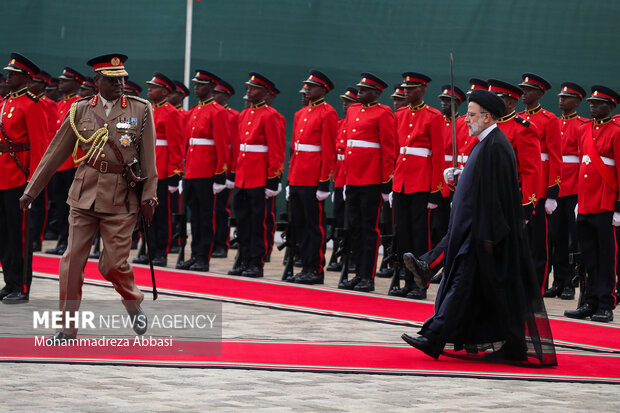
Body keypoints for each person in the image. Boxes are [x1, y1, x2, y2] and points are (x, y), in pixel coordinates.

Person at [401, 90, 557, 366]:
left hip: (482, 232)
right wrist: (460, 175)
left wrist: (489, 235)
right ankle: (512, 345)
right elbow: (483, 183)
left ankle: (434, 336)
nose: (467, 119)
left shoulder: (495, 145)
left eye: (472, 114)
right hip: (474, 229)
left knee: (462, 284)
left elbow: (497, 195)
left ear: (486, 117)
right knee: (490, 293)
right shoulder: (487, 142)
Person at [19, 53, 158, 340]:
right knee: (71, 263)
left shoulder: (140, 109)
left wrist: (149, 197)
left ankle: (133, 303)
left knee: (112, 265)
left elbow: (148, 160)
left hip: (122, 198)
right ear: (96, 81)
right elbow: (54, 154)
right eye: (111, 79)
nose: (119, 83)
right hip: (83, 195)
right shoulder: (79, 110)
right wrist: (32, 190)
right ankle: (67, 327)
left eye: (121, 78)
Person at [564, 86, 620, 323]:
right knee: (587, 257)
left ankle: (606, 304)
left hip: (606, 202)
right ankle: (589, 301)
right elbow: (582, 166)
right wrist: (579, 199)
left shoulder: (617, 131)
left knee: (606, 257)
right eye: (591, 103)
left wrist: (618, 205)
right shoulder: (585, 129)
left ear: (611, 106)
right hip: (586, 202)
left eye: (598, 104)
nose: (593, 107)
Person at [389, 72, 444, 299]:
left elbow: (438, 155)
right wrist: (392, 182)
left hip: (422, 182)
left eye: (411, 89)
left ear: (422, 90)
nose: (406, 92)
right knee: (402, 233)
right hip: (401, 181)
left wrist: (436, 191)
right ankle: (406, 281)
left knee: (420, 235)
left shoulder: (433, 116)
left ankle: (420, 285)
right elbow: (394, 150)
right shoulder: (399, 114)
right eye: (405, 88)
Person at [338, 73, 395, 292]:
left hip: (371, 180)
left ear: (377, 93)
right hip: (352, 179)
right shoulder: (352, 110)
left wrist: (385, 182)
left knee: (368, 229)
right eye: (359, 89)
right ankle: (356, 274)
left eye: (365, 89)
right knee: (354, 228)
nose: (359, 92)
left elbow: (388, 150)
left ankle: (366, 277)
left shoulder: (383, 113)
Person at [0, 53, 48, 303]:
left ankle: (23, 287)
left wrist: (34, 182)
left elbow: (40, 146)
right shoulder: (6, 102)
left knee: (19, 235)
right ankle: (10, 282)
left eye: (13, 73)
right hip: (2, 176)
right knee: (4, 234)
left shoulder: (32, 105)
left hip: (19, 178)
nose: (8, 76)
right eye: (8, 73)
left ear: (27, 78)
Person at [228, 72, 284, 277]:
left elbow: (276, 150)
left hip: (259, 178)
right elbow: (239, 148)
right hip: (243, 178)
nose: (249, 91)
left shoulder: (270, 116)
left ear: (265, 92)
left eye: (254, 88)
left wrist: (273, 179)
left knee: (257, 223)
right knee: (242, 222)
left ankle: (256, 263)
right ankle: (242, 259)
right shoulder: (243, 115)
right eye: (248, 87)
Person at [286, 70, 337, 284]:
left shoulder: (328, 113)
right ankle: (304, 266)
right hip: (298, 176)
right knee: (299, 225)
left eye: (311, 86)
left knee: (313, 226)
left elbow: (328, 150)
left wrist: (324, 181)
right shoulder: (300, 114)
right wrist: (290, 180)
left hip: (313, 178)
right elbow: (295, 150)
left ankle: (314, 268)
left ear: (323, 90)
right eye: (306, 86)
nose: (307, 89)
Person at [176, 69, 228, 271]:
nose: (196, 87)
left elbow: (222, 145)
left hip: (207, 173)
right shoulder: (194, 112)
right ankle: (194, 254)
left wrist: (219, 174)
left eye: (201, 85)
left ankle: (203, 257)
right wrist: (183, 171)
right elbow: (187, 145)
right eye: (196, 84)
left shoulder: (218, 112)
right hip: (192, 172)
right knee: (194, 217)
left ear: (211, 87)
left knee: (206, 217)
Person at [134, 72, 183, 267]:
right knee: (146, 213)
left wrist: (174, 173)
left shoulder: (171, 113)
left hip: (162, 171)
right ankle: (148, 249)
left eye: (154, 87)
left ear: (165, 91)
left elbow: (176, 146)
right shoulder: (146, 111)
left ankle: (160, 252)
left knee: (161, 214)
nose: (150, 90)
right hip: (146, 169)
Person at [518, 73, 562, 291]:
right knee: (520, 238)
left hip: (540, 187)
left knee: (538, 240)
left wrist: (552, 193)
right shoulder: (517, 118)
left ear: (540, 93)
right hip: (520, 185)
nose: (523, 93)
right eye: (522, 90)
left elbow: (555, 157)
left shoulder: (549, 120)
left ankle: (538, 285)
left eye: (528, 90)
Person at [546, 82, 588, 300]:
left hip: (574, 189)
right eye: (561, 97)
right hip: (556, 188)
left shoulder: (582, 125)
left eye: (567, 97)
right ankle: (559, 281)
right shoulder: (554, 123)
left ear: (578, 101)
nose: (561, 100)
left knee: (574, 238)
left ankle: (572, 283)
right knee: (556, 236)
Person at [45, 66, 85, 256]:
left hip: (72, 162)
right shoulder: (59, 105)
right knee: (59, 204)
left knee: (71, 205)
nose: (60, 83)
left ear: (76, 83)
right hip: (59, 163)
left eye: (65, 80)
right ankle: (61, 240)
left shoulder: (80, 104)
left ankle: (68, 241)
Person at [326, 86, 358, 272]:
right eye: (344, 101)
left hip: (353, 176)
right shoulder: (339, 123)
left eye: (349, 102)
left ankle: (351, 255)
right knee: (339, 218)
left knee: (352, 219)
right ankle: (338, 254)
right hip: (340, 178)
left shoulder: (356, 123)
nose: (345, 104)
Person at [211, 79, 238, 259]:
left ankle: (221, 243)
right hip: (208, 168)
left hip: (224, 170)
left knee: (221, 209)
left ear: (226, 96)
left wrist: (231, 172)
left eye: (218, 93)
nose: (214, 96)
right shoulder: (208, 112)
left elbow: (234, 146)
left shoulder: (232, 116)